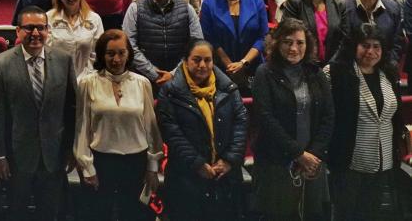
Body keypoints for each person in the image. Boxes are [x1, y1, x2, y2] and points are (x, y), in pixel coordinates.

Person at [0, 6, 77, 220]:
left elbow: (71, 109)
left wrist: (71, 149)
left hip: (53, 156)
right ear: (18, 31)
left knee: (50, 212)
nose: (35, 33)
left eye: (41, 28)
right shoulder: (1, 63)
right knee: (16, 212)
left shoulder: (64, 60)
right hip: (17, 157)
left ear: (48, 30)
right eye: (29, 28)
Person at [74, 29, 163, 221]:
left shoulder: (143, 83)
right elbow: (82, 129)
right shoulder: (87, 83)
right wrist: (87, 167)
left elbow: (151, 128)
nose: (116, 59)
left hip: (136, 163)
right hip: (101, 161)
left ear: (129, 54)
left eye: (121, 53)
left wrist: (153, 166)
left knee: (134, 215)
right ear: (101, 55)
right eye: (110, 53)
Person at [156, 39, 248, 221]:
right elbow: (171, 133)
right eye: (196, 60)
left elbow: (241, 123)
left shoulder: (229, 88)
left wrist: (229, 160)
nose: (202, 65)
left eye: (207, 60)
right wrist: (198, 163)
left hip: (225, 177)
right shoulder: (169, 92)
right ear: (185, 61)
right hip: (186, 177)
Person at [252, 19, 334, 221]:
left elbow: (328, 116)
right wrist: (298, 154)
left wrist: (312, 155)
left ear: (308, 45)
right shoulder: (264, 73)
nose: (294, 48)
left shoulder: (316, 73)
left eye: (300, 42)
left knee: (312, 214)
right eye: (288, 42)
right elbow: (266, 119)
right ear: (277, 43)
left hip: (312, 162)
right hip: (276, 162)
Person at [324, 23, 403, 220]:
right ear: (354, 46)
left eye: (376, 46)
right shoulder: (335, 72)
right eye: (365, 45)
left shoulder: (389, 74)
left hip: (383, 161)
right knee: (345, 214)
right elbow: (324, 116)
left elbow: (395, 117)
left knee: (372, 214)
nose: (371, 51)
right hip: (348, 162)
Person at [124, 0, 203, 88]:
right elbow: (129, 46)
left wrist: (174, 74)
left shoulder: (187, 9)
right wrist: (153, 73)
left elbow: (197, 45)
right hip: (144, 79)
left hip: (182, 79)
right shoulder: (135, 9)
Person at [200, 0, 269, 88]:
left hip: (253, 67)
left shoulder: (257, 1)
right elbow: (211, 40)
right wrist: (230, 66)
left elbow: (262, 37)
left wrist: (243, 63)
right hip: (221, 69)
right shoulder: (209, 3)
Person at [343, 0, 405, 66]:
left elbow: (397, 43)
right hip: (350, 68)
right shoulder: (343, 8)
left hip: (384, 67)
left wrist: (389, 67)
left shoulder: (393, 8)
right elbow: (340, 45)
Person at [46, 0, 104, 81]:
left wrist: (86, 77)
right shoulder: (48, 18)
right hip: (56, 79)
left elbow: (97, 53)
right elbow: (46, 53)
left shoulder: (94, 19)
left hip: (88, 79)